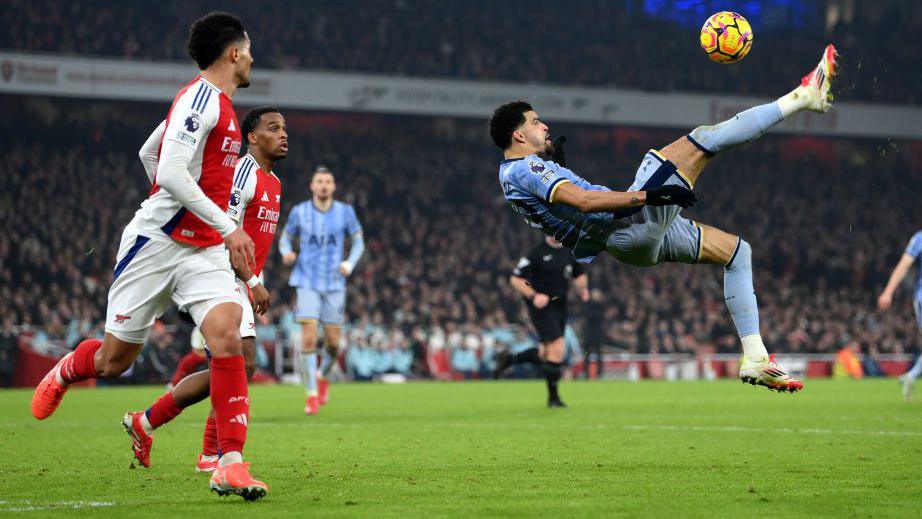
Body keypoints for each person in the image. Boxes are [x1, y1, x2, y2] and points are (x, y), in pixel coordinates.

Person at [492, 45, 840, 394]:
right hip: (628, 223)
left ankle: (756, 357)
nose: (544, 124)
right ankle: (803, 96)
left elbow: (567, 209)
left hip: (628, 244)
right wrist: (649, 196)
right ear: (518, 135)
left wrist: (560, 168)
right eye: (536, 121)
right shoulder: (525, 168)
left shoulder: (512, 175)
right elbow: (583, 201)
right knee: (703, 140)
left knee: (737, 252)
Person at [29, 12, 267, 499]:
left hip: (202, 252)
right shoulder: (201, 100)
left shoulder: (213, 103)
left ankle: (230, 463)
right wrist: (220, 224)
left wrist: (206, 224)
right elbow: (172, 172)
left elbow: (148, 153)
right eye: (249, 48)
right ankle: (71, 366)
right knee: (116, 361)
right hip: (157, 245)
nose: (253, 57)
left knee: (230, 341)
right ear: (234, 53)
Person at [121, 107, 285, 473]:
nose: (283, 134)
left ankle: (146, 423)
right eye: (273, 128)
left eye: (284, 128)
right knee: (240, 363)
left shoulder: (275, 182)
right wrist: (251, 281)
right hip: (221, 273)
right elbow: (224, 228)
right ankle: (208, 451)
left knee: (235, 367)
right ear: (253, 138)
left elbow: (253, 238)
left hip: (241, 278)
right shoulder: (243, 173)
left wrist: (255, 277)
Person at [280, 166, 364, 415]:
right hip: (306, 281)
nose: (324, 185)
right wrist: (286, 251)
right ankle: (311, 393)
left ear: (333, 186)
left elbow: (359, 240)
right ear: (312, 186)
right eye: (319, 181)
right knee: (308, 336)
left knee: (334, 344)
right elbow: (285, 236)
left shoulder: (345, 212)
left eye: (328, 181)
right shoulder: (300, 212)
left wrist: (349, 262)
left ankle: (322, 375)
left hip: (335, 284)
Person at [497, 236, 589, 407]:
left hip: (560, 307)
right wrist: (533, 294)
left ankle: (510, 359)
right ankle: (553, 398)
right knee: (558, 348)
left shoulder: (570, 252)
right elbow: (516, 279)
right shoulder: (536, 253)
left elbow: (579, 274)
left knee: (545, 354)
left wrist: (582, 289)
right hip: (541, 308)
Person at [877, 230, 922, 401]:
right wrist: (888, 291)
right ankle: (911, 376)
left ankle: (910, 376)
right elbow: (904, 264)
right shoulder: (920, 238)